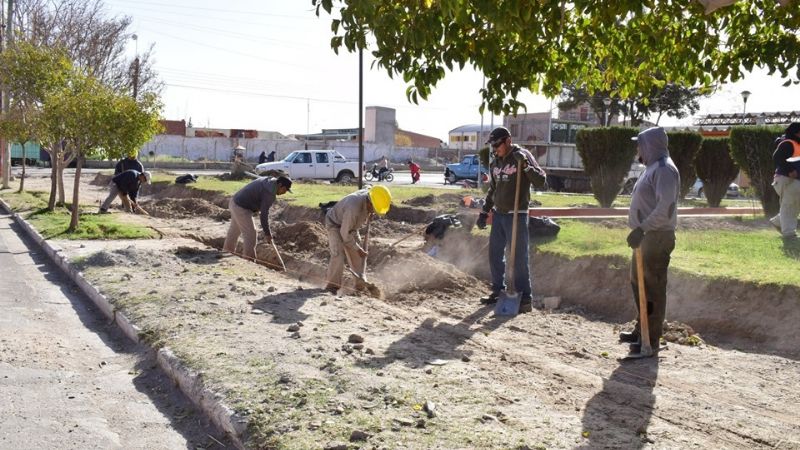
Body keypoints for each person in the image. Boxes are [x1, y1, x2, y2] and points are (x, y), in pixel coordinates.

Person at [619, 126, 680, 356]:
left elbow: (664, 209)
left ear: (650, 145)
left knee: (652, 289)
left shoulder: (664, 170)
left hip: (656, 237)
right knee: (639, 284)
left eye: (640, 145)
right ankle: (641, 328)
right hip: (645, 237)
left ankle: (651, 339)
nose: (638, 149)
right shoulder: (652, 168)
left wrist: (642, 229)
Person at [476, 127, 547, 313]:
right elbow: (493, 189)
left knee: (518, 258)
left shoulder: (522, 155)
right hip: (499, 215)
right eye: (491, 145)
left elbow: (541, 181)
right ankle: (498, 290)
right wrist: (485, 211)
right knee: (495, 254)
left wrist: (525, 166)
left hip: (517, 214)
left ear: (507, 141)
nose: (494, 148)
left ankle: (525, 298)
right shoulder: (496, 162)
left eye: (497, 144)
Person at [324, 185, 392, 294]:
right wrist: (358, 247)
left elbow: (368, 186)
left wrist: (369, 213)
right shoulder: (353, 209)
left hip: (350, 227)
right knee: (338, 255)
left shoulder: (370, 194)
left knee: (357, 256)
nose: (373, 212)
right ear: (369, 203)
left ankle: (360, 284)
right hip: (335, 225)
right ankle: (332, 287)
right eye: (374, 210)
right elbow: (344, 234)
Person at [223, 175, 292, 261]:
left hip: (234, 202)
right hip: (241, 207)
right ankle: (249, 260)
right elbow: (263, 214)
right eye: (285, 189)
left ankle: (227, 251)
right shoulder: (269, 193)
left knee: (234, 230)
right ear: (280, 185)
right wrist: (267, 233)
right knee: (251, 233)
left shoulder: (269, 181)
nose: (284, 192)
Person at [769, 122, 800, 240]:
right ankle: (789, 234)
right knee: (789, 205)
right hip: (786, 179)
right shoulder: (788, 144)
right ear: (797, 132)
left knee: (793, 205)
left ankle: (777, 222)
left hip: (793, 180)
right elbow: (777, 158)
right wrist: (790, 170)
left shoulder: (797, 144)